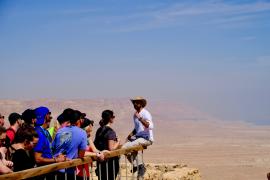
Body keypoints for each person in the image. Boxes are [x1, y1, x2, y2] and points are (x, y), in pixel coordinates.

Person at [122, 96, 154, 180]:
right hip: (138, 137)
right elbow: (137, 128)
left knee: (132, 146)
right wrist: (129, 136)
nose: (135, 104)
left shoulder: (145, 113)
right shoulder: (135, 115)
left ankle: (141, 167)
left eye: (137, 102)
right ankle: (136, 165)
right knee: (123, 148)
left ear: (141, 104)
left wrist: (140, 118)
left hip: (146, 138)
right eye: (134, 102)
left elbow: (149, 126)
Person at [52, 109, 87, 180]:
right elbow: (81, 155)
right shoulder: (82, 133)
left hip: (54, 169)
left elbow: (53, 148)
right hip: (69, 170)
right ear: (78, 120)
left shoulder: (60, 131)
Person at [94, 110, 120, 180]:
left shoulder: (99, 130)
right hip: (110, 162)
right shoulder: (110, 132)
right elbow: (111, 149)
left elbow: (95, 144)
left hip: (100, 161)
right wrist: (118, 142)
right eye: (113, 117)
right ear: (111, 118)